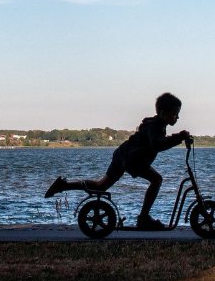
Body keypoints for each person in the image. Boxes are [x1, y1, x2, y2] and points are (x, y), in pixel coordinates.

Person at [44, 92, 190, 230]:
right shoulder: (155, 126)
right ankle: (143, 218)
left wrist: (178, 137)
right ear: (164, 113)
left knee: (100, 186)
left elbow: (159, 142)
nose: (177, 117)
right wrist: (178, 138)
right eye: (175, 113)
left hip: (122, 155)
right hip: (132, 159)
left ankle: (63, 186)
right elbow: (158, 144)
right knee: (156, 180)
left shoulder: (156, 124)